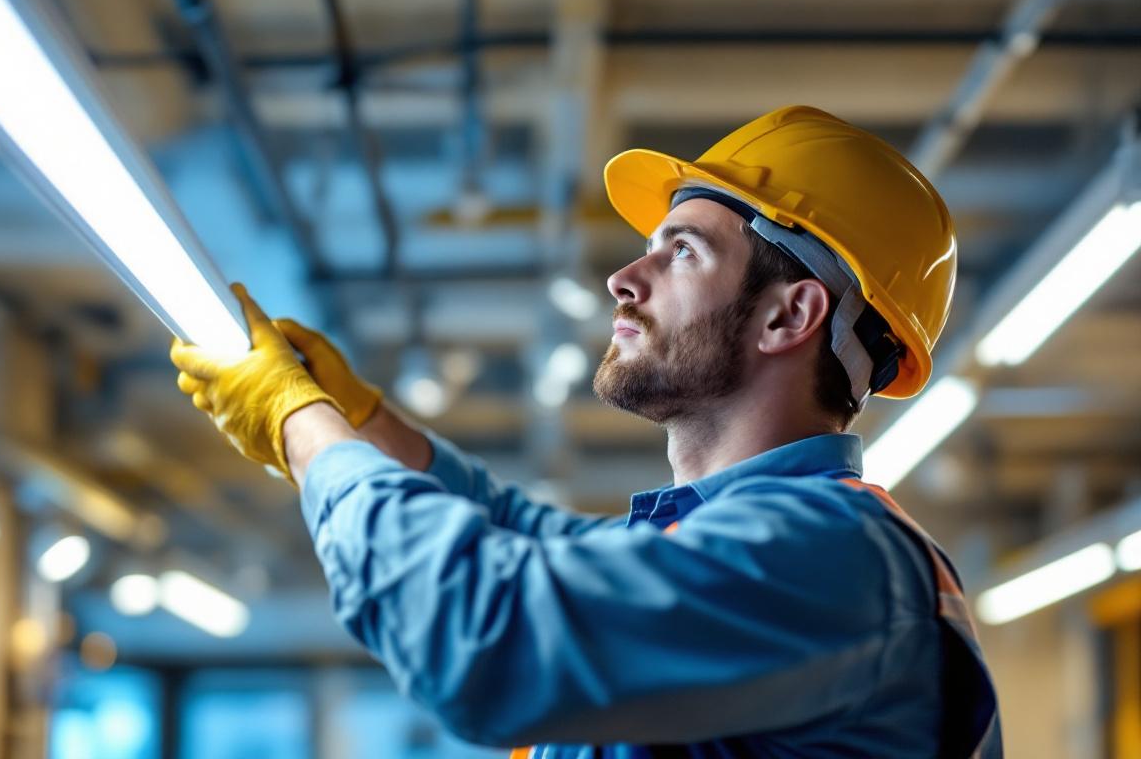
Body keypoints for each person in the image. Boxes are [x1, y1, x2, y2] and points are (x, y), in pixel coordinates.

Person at [171, 106, 1001, 758]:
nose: (622, 278)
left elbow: (483, 637)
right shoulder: (763, 545)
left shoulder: (835, 557)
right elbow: (536, 540)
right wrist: (360, 421)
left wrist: (303, 428)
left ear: (790, 313)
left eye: (680, 252)